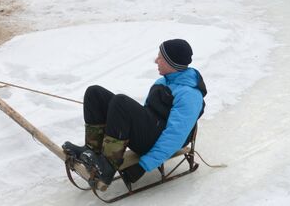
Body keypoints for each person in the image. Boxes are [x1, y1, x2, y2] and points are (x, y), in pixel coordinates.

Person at [63, 39, 207, 190]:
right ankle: (91, 150)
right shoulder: (163, 82)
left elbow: (175, 136)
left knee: (121, 102)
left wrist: (144, 166)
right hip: (151, 133)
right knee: (95, 93)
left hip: (159, 141)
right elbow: (147, 115)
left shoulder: (189, 94)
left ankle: (108, 165)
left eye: (160, 58)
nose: (156, 60)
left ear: (172, 64)